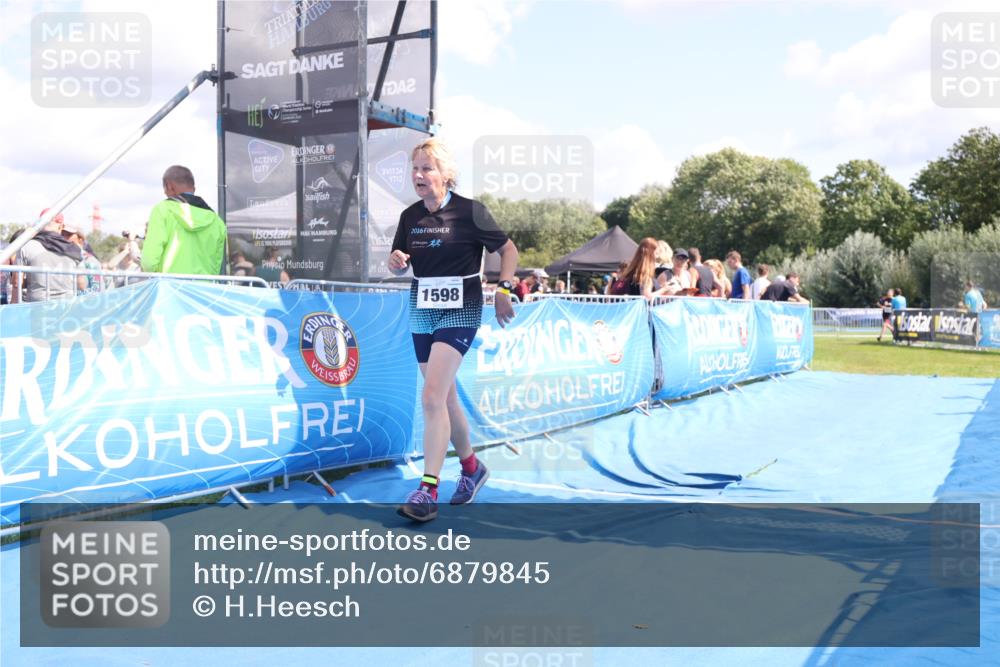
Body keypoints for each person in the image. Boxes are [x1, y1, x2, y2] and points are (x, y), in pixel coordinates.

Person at [389, 138, 518, 522]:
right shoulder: (410, 216)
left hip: (461, 306)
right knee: (443, 399)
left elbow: (507, 250)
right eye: (415, 168)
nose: (419, 175)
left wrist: (504, 288)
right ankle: (472, 469)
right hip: (422, 307)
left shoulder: (471, 212)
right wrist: (396, 261)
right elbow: (400, 262)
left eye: (427, 167)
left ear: (446, 174)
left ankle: (428, 489)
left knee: (431, 396)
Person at [141, 165, 227, 275]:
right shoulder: (217, 222)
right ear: (194, 189)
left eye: (165, 190)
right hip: (204, 289)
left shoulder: (162, 210)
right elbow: (216, 267)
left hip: (169, 288)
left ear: (169, 186)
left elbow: (149, 262)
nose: (165, 193)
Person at [18, 210, 83, 302]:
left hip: (37, 305)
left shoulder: (26, 245)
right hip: (66, 305)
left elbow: (17, 283)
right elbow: (81, 284)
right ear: (61, 226)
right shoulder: (75, 249)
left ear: (39, 224)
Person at [62, 221, 102, 294]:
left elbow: (97, 290)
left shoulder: (90, 260)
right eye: (62, 234)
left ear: (80, 239)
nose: (64, 237)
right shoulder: (60, 257)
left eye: (68, 235)